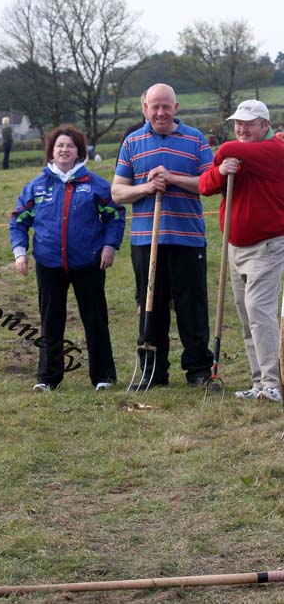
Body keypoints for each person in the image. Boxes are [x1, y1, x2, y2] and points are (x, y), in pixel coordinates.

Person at [111, 83, 214, 391]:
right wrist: (146, 187)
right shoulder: (132, 142)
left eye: (165, 106)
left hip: (187, 238)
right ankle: (153, 371)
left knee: (191, 308)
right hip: (147, 241)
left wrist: (173, 179)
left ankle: (198, 370)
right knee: (150, 305)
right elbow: (117, 192)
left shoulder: (195, 140)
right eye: (154, 106)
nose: (160, 112)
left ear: (176, 107)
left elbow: (209, 184)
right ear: (145, 108)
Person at [9, 125, 125, 392]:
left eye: (70, 146)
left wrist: (110, 246)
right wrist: (20, 253)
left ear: (79, 152)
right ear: (51, 151)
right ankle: (48, 378)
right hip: (49, 265)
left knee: (95, 320)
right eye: (59, 145)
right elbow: (18, 220)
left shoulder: (95, 184)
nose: (64, 150)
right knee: (51, 321)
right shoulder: (36, 186)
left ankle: (103, 376)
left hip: (88, 264)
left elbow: (115, 215)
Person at [198, 100, 284, 402]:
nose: (241, 128)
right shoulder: (240, 151)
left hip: (267, 247)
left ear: (265, 125)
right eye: (238, 123)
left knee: (259, 312)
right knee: (247, 316)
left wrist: (224, 154)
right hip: (234, 248)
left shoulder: (274, 150)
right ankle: (260, 381)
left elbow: (226, 150)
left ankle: (275, 382)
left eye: (249, 123)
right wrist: (221, 171)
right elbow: (205, 186)